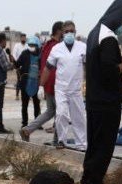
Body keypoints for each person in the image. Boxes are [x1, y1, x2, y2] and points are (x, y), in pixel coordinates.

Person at [81, 1, 122, 184]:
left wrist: (119, 61)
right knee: (104, 147)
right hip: (106, 103)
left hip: (94, 100)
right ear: (119, 17)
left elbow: (101, 65)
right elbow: (108, 73)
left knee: (94, 145)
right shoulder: (109, 38)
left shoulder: (95, 32)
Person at [47, 21, 87, 151]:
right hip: (61, 89)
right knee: (61, 114)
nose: (69, 33)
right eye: (67, 31)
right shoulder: (56, 49)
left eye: (72, 31)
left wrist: (88, 82)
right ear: (62, 33)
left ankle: (81, 144)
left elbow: (88, 65)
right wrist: (41, 86)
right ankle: (61, 141)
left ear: (75, 32)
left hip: (76, 90)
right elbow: (48, 68)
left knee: (79, 118)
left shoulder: (82, 47)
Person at [19, 21, 61, 142]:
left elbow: (42, 65)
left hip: (46, 83)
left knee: (50, 111)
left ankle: (27, 129)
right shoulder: (57, 46)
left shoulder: (46, 45)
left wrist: (42, 84)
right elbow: (51, 68)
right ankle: (57, 140)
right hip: (54, 84)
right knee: (60, 112)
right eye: (65, 31)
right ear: (59, 31)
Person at [15, 35, 41, 127]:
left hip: (35, 82)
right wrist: (14, 63)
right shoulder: (24, 53)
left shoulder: (40, 55)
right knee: (24, 104)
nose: (31, 46)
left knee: (36, 103)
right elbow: (17, 64)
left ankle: (37, 123)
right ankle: (24, 123)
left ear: (38, 45)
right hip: (25, 82)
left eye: (33, 45)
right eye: (30, 45)